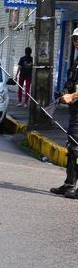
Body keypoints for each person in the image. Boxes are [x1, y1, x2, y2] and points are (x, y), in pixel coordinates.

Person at [50, 28, 78, 198]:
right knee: (72, 147)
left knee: (77, 149)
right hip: (75, 111)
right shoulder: (76, 61)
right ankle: (69, 184)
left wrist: (72, 96)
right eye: (75, 39)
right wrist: (64, 94)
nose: (76, 43)